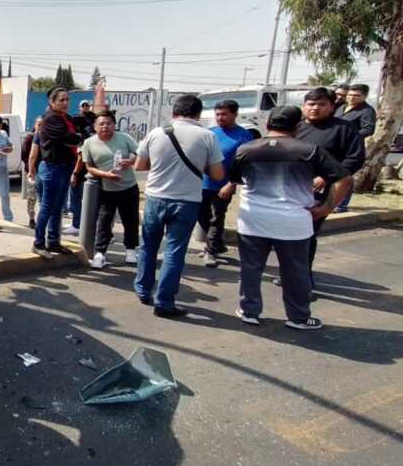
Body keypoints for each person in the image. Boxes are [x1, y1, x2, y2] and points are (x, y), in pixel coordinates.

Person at [230, 106, 351, 330]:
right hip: (293, 222)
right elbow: (343, 179)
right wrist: (326, 208)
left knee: (251, 268)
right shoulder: (310, 150)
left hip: (253, 220)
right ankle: (298, 317)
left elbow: (237, 179)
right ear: (298, 126)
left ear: (267, 125)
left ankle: (249, 311)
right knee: (295, 271)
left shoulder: (245, 150)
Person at [133, 95, 224, 318]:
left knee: (148, 246)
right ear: (199, 114)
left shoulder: (156, 133)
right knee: (174, 252)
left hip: (155, 199)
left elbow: (139, 165)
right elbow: (218, 174)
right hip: (187, 201)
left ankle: (143, 290)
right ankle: (164, 302)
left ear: (173, 112)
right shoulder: (208, 136)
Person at [296, 87, 365, 284]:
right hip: (292, 190)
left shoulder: (344, 129)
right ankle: (290, 274)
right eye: (311, 104)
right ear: (304, 106)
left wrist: (326, 177)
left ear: (332, 106)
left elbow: (355, 158)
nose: (315, 108)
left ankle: (303, 280)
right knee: (288, 237)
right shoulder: (295, 127)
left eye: (321, 104)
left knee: (307, 234)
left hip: (322, 191)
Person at [198, 100, 254, 268]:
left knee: (217, 217)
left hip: (223, 186)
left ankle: (210, 250)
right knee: (201, 216)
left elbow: (244, 165)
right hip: (202, 184)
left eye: (224, 114)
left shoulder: (244, 136)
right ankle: (217, 244)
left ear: (235, 114)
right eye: (218, 114)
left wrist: (231, 184)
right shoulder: (210, 132)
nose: (220, 117)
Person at [28, 88, 83, 258]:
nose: (65, 103)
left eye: (67, 99)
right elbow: (72, 139)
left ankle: (53, 241)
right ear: (52, 102)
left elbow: (78, 138)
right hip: (52, 167)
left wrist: (75, 139)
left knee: (57, 208)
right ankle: (38, 243)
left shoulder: (65, 118)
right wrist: (74, 139)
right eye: (61, 100)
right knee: (47, 208)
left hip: (65, 166)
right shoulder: (51, 119)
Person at [81, 110, 140, 268]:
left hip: (128, 186)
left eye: (109, 123)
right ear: (95, 126)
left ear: (114, 125)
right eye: (101, 124)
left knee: (131, 220)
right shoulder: (89, 143)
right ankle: (100, 253)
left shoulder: (124, 138)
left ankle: (131, 249)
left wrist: (129, 161)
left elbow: (140, 154)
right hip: (106, 188)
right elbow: (90, 167)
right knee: (104, 221)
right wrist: (105, 175)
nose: (105, 126)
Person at [333, 83, 376, 212]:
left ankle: (341, 205)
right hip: (334, 145)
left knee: (344, 175)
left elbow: (368, 129)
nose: (352, 98)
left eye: (357, 96)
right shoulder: (341, 107)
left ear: (365, 96)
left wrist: (351, 136)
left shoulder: (366, 110)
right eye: (350, 95)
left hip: (350, 148)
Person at [65, 100, 97, 236]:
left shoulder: (82, 136)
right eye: (82, 106)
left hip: (82, 173)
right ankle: (81, 223)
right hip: (91, 172)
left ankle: (78, 224)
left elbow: (80, 157)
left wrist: (75, 174)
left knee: (76, 198)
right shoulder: (93, 133)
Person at [20, 116, 44, 228]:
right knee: (32, 196)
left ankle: (41, 218)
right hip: (31, 171)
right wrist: (31, 168)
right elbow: (24, 155)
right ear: (35, 125)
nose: (41, 127)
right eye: (39, 125)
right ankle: (31, 218)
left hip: (41, 171)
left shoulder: (45, 137)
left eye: (43, 125)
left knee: (41, 197)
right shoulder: (29, 138)